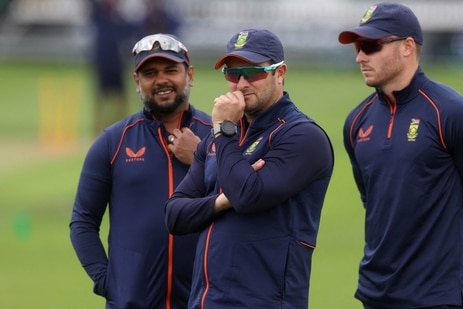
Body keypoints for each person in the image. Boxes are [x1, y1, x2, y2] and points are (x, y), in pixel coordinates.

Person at [338, 3, 463, 308]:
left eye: (370, 45)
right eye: (357, 46)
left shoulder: (453, 113)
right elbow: (373, 200)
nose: (360, 56)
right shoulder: (356, 122)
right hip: (374, 292)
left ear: (407, 47)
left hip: (436, 295)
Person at [164, 28, 334, 308]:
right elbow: (175, 215)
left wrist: (225, 130)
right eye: (233, 73)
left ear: (280, 73)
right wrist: (221, 201)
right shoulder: (217, 138)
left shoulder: (302, 136)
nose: (241, 83)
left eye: (253, 72)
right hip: (206, 301)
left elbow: (246, 196)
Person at [70, 33, 212, 309]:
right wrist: (108, 281)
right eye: (149, 73)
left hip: (204, 302)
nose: (161, 80)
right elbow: (83, 222)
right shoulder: (113, 141)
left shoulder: (217, 138)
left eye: (171, 70)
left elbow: (243, 200)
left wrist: (200, 158)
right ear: (137, 82)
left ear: (190, 75)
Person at [88, 0, 133, 136]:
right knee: (101, 97)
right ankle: (97, 130)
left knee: (121, 97)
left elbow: (130, 33)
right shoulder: (98, 15)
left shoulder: (120, 19)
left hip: (117, 63)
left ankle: (119, 127)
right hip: (102, 62)